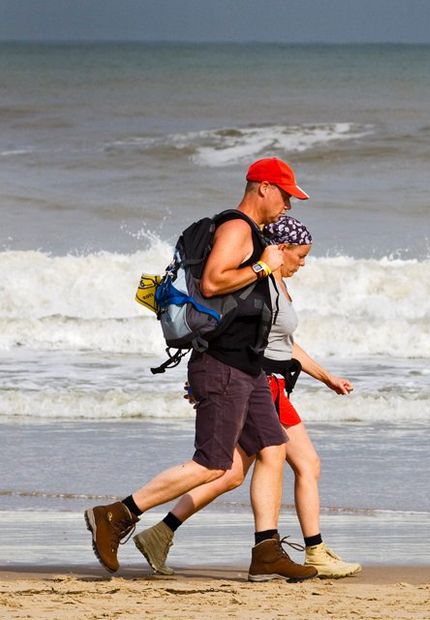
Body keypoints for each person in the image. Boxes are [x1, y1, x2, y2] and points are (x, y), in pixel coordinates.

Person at [85, 157, 318, 582]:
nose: (288, 204)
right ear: (263, 187)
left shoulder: (254, 233)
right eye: (286, 194)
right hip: (222, 365)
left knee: (272, 448)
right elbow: (212, 282)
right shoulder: (236, 228)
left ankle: (266, 550)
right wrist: (265, 265)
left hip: (246, 368)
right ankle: (117, 514)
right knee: (213, 464)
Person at [132, 215, 361, 579]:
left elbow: (286, 345)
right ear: (281, 249)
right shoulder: (261, 283)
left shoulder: (276, 285)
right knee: (300, 463)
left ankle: (162, 532)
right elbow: (241, 335)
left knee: (231, 474)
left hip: (262, 384)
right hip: (259, 385)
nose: (304, 263)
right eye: (301, 255)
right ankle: (313, 550)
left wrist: (327, 377)